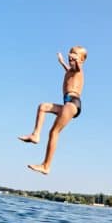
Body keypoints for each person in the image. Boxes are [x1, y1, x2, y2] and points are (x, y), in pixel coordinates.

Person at [19, 46, 87, 175]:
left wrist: (76, 60)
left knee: (54, 132)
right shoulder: (70, 71)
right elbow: (68, 70)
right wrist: (62, 62)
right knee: (43, 107)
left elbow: (77, 66)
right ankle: (36, 135)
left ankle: (46, 166)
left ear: (82, 59)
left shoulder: (78, 69)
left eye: (75, 54)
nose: (71, 55)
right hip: (67, 102)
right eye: (71, 52)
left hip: (73, 103)